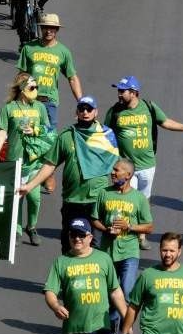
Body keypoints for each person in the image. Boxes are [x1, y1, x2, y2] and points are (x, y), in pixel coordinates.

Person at [104, 75, 183, 247]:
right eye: (118, 90)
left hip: (147, 165)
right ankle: (122, 233)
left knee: (144, 200)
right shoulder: (115, 111)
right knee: (126, 199)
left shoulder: (148, 107)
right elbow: (105, 133)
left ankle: (140, 235)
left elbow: (166, 122)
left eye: (122, 91)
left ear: (134, 93)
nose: (119, 94)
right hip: (126, 166)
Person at [20, 95, 118, 252]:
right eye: (82, 109)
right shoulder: (66, 136)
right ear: (77, 112)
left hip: (97, 201)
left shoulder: (106, 136)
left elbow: (118, 167)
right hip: (72, 200)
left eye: (89, 109)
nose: (85, 112)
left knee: (97, 246)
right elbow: (50, 164)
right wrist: (30, 186)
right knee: (69, 245)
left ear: (96, 112)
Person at [43, 217, 127, 334]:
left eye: (81, 235)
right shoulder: (61, 262)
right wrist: (56, 306)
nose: (77, 238)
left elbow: (115, 291)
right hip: (73, 330)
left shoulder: (103, 259)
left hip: (101, 328)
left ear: (90, 237)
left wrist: (126, 320)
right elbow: (50, 291)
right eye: (73, 234)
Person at [91, 159, 153, 332]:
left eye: (116, 170)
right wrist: (106, 229)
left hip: (129, 253)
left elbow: (149, 226)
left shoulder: (138, 198)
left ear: (128, 175)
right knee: (109, 293)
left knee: (126, 292)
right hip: (107, 252)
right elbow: (94, 219)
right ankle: (111, 328)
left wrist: (129, 227)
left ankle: (125, 330)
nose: (112, 173)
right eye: (113, 169)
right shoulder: (104, 193)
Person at [0, 72, 53, 245]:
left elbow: (49, 132)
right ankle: (17, 229)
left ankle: (31, 226)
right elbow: (2, 133)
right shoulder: (9, 108)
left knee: (34, 197)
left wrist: (35, 130)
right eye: (31, 87)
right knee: (17, 197)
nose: (35, 90)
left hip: (34, 162)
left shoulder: (40, 108)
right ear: (21, 89)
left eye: (36, 87)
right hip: (15, 160)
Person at [16, 13, 82, 130]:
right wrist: (16, 98)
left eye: (52, 28)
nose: (48, 31)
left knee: (50, 137)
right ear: (41, 28)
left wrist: (81, 102)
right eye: (45, 27)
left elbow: (72, 78)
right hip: (30, 99)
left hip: (50, 101)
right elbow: (21, 76)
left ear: (57, 30)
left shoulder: (63, 52)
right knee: (25, 133)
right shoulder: (28, 48)